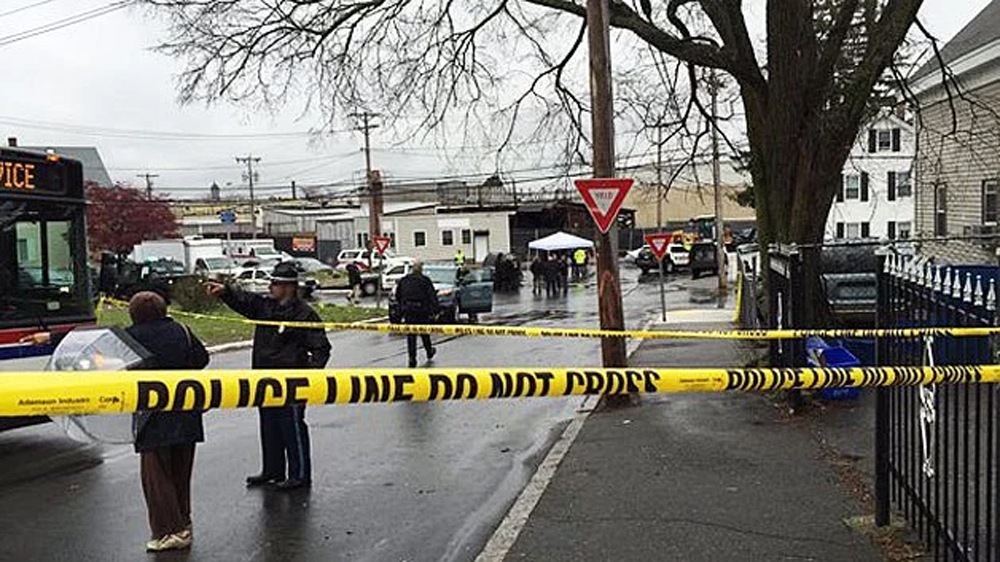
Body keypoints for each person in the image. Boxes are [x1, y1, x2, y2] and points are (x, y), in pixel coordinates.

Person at [205, 262, 331, 491]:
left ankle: (299, 474)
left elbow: (321, 348)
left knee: (291, 427)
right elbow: (244, 301)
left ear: (289, 287)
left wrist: (309, 376)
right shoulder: (265, 307)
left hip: (291, 382)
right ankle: (272, 470)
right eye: (271, 283)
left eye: (276, 284)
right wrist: (225, 291)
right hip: (264, 379)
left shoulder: (304, 314)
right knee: (269, 425)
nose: (271, 287)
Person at [127, 291, 210, 552]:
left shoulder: (130, 337)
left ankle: (168, 532)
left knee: (156, 479)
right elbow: (202, 358)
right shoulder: (182, 330)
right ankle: (183, 523)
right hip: (187, 413)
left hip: (152, 417)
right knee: (180, 474)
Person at [394, 259, 438, 368]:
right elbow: (432, 296)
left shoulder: (404, 280)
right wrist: (434, 311)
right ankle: (429, 351)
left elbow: (398, 295)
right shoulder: (425, 280)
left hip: (409, 311)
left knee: (411, 336)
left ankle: (412, 358)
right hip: (421, 310)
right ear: (421, 269)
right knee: (424, 333)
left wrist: (402, 308)